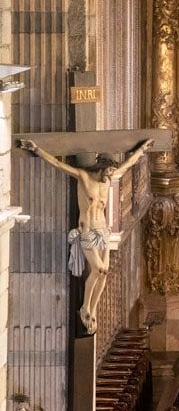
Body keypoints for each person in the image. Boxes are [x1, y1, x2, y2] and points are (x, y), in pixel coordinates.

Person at [20, 138, 153, 333]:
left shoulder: (107, 180)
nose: (111, 175)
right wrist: (37, 150)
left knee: (105, 271)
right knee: (98, 269)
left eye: (111, 172)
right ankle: (84, 307)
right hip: (88, 230)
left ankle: (93, 309)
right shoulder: (84, 177)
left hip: (103, 231)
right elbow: (59, 164)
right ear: (101, 167)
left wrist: (141, 150)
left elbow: (127, 165)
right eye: (108, 171)